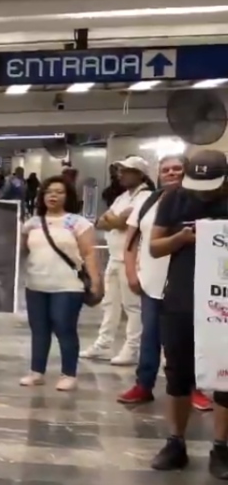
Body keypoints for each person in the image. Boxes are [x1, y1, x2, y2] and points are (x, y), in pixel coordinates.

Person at [148, 150, 228, 476]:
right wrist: (180, 239)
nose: (204, 193)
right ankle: (175, 442)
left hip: (222, 297)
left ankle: (221, 447)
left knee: (226, 372)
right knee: (178, 372)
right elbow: (154, 246)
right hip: (181, 296)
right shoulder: (174, 199)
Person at [116, 156, 214, 408]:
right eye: (166, 170)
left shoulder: (200, 203)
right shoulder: (149, 201)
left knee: (189, 338)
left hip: (188, 283)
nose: (171, 173)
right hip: (152, 280)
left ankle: (194, 388)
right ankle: (143, 384)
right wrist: (130, 272)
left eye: (177, 169)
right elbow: (131, 240)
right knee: (149, 335)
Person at [18, 175, 102, 392]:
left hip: (68, 286)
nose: (53, 196)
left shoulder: (78, 223)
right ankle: (37, 371)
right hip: (36, 284)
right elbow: (20, 251)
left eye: (59, 192)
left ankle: (69, 373)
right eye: (49, 192)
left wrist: (95, 281)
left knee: (64, 327)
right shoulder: (32, 223)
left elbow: (89, 253)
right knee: (39, 329)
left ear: (68, 196)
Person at [84, 156, 155, 366]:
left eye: (127, 171)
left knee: (132, 306)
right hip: (114, 257)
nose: (121, 175)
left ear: (140, 174)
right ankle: (104, 343)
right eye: (120, 171)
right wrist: (114, 221)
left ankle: (132, 348)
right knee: (110, 304)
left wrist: (115, 221)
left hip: (132, 259)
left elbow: (123, 222)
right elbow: (102, 221)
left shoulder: (146, 197)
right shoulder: (122, 197)